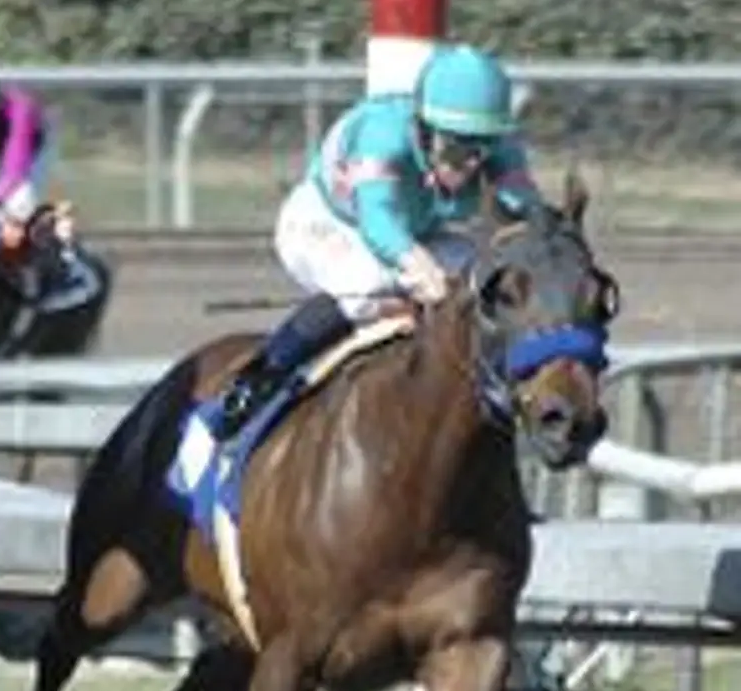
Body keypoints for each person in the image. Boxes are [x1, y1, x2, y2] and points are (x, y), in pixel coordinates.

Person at [209, 41, 546, 438]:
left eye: (483, 148)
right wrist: (421, 271)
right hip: (331, 223)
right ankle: (256, 381)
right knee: (367, 285)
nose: (472, 163)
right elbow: (379, 221)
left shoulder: (498, 147)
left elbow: (525, 216)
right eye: (457, 147)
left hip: (419, 229)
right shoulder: (382, 134)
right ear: (424, 129)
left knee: (486, 280)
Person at [0, 58, 81, 302]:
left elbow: (15, 167)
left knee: (20, 203)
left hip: (34, 150)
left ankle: (61, 266)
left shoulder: (20, 110)